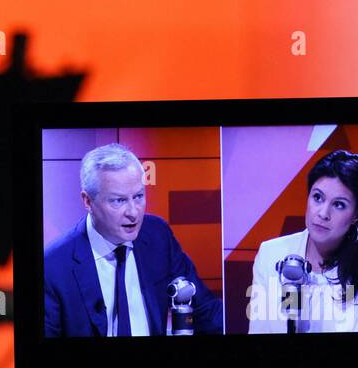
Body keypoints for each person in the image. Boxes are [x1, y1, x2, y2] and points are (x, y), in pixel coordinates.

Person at [44, 143, 223, 337]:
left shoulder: (157, 235)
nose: (133, 212)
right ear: (88, 201)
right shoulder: (53, 266)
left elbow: (205, 311)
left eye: (138, 196)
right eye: (118, 201)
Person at [247, 150, 358, 334]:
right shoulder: (271, 254)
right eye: (317, 197)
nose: (323, 213)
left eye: (338, 204)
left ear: (356, 214)